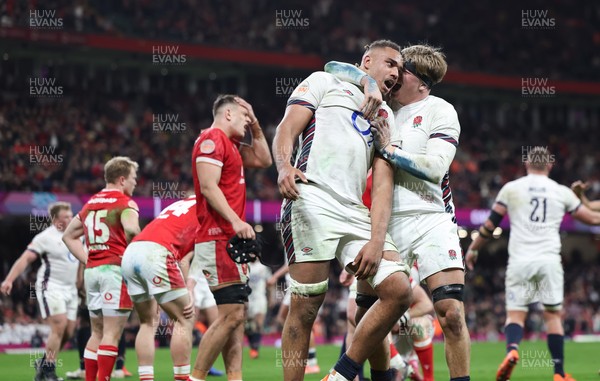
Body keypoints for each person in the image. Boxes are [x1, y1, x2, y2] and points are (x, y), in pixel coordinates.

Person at [326, 43, 470, 381]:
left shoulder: (441, 110)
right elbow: (332, 66)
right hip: (382, 223)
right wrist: (368, 82)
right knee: (365, 314)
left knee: (450, 313)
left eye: (400, 71)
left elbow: (435, 168)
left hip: (431, 217)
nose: (393, 76)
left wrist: (390, 148)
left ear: (419, 81)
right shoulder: (381, 103)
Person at [273, 39, 412, 381]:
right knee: (305, 310)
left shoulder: (386, 117)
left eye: (400, 69)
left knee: (397, 291)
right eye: (390, 63)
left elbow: (382, 185)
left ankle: (341, 374)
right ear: (367, 61)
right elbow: (287, 127)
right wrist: (284, 166)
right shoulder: (324, 82)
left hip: (355, 212)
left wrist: (377, 240)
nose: (395, 73)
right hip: (312, 198)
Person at [466, 146, 600, 381]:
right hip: (549, 261)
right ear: (550, 165)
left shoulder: (512, 189)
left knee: (516, 315)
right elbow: (591, 219)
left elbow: (490, 225)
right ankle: (559, 373)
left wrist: (473, 249)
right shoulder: (561, 192)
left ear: (526, 164)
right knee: (552, 316)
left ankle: (512, 351)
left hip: (520, 260)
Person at [188, 95, 272, 381]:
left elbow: (264, 158)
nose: (247, 122)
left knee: (236, 319)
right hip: (217, 237)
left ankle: (235, 378)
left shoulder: (232, 146)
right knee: (231, 316)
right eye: (244, 117)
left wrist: (257, 125)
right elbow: (209, 188)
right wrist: (236, 221)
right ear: (227, 114)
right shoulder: (211, 139)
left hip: (227, 240)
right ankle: (195, 378)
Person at [63, 156, 141, 381]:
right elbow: (133, 231)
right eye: (134, 179)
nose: (135, 183)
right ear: (123, 179)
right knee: (111, 333)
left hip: (93, 272)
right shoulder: (125, 203)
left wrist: (88, 259)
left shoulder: (91, 203)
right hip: (114, 272)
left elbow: (68, 236)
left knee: (96, 332)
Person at [121, 195, 198, 381]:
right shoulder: (210, 207)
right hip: (156, 254)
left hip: (131, 253)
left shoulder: (179, 204)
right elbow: (186, 259)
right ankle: (182, 378)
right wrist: (190, 288)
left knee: (147, 322)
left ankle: (146, 378)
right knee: (184, 319)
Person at [1, 202, 79, 381]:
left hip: (72, 289)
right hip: (51, 286)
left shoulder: (78, 235)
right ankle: (49, 371)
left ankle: (43, 363)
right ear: (55, 220)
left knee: (68, 331)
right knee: (59, 325)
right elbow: (26, 258)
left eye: (70, 215)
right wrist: (9, 279)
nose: (70, 219)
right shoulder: (45, 237)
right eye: (65, 217)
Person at [246, 260, 272, 359]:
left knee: (259, 324)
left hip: (260, 297)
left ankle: (255, 349)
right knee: (248, 326)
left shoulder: (263, 268)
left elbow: (270, 283)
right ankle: (252, 345)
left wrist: (271, 298)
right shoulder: (245, 266)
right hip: (248, 298)